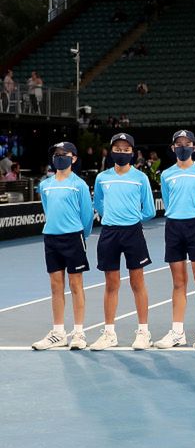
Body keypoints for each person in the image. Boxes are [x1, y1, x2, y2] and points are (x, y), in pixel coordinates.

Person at [90, 132, 157, 350]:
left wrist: (130, 218)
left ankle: (144, 332)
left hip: (133, 233)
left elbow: (148, 209)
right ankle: (109, 333)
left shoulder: (140, 178)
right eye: (117, 149)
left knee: (137, 282)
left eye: (126, 149)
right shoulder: (102, 178)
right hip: (109, 233)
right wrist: (111, 216)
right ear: (111, 151)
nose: (121, 153)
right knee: (111, 284)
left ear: (132, 152)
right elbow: (99, 204)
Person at [154, 130, 195, 349]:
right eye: (178, 144)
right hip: (173, 228)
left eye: (187, 143)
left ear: (194, 147)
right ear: (173, 148)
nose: (182, 147)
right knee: (178, 283)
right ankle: (178, 332)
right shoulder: (166, 175)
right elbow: (168, 201)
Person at [31, 142, 94, 351]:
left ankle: (78, 332)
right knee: (56, 286)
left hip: (73, 238)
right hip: (51, 238)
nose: (59, 157)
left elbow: (87, 216)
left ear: (73, 158)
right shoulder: (45, 185)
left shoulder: (80, 185)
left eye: (63, 154)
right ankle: (58, 333)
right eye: (56, 154)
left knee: (76, 285)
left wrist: (80, 236)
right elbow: (47, 210)